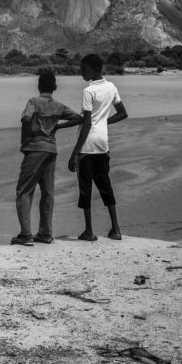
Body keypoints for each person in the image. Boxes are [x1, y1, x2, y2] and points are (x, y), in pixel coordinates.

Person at [13, 68, 83, 246]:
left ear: (38, 85)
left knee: (24, 191)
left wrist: (26, 139)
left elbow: (26, 119)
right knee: (47, 192)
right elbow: (78, 118)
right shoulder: (59, 106)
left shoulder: (34, 101)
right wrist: (58, 126)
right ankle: (45, 233)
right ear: (55, 87)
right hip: (51, 149)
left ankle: (26, 235)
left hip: (35, 148)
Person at [67, 53, 128, 241]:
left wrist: (74, 153)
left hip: (87, 146)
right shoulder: (111, 87)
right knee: (105, 185)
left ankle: (89, 231)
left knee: (85, 188)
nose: (81, 73)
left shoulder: (88, 91)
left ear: (95, 69)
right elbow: (123, 113)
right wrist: (103, 122)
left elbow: (86, 124)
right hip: (103, 144)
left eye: (84, 69)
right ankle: (116, 229)